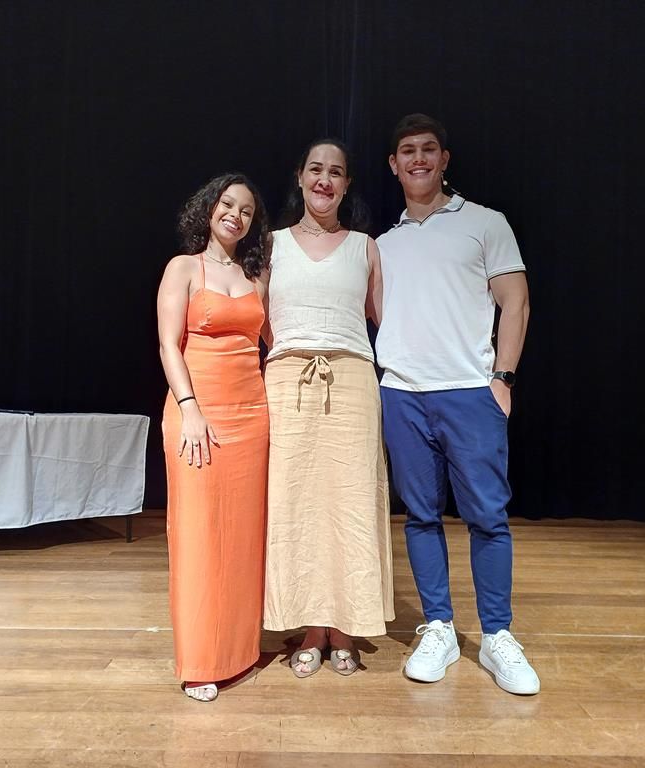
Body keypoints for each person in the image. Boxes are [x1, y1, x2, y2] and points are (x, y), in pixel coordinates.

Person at [375, 114, 540, 695]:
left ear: (444, 159)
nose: (418, 159)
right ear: (393, 165)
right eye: (407, 151)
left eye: (428, 149)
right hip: (402, 393)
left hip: (470, 393)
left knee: (487, 518)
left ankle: (497, 635)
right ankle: (439, 628)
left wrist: (503, 379)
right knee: (421, 517)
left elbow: (515, 303)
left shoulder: (485, 223)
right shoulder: (383, 244)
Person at [262, 138, 394, 677]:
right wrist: (292, 352)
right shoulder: (270, 245)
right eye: (315, 169)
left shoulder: (365, 247)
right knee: (294, 504)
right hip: (288, 381)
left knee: (350, 502)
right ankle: (307, 625)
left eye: (335, 172)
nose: (324, 179)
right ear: (299, 176)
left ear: (347, 184)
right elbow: (259, 318)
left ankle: (344, 626)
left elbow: (385, 318)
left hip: (353, 381)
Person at [157, 173, 270, 702]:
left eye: (246, 210)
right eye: (227, 204)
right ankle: (201, 660)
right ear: (209, 208)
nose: (235, 215)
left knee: (244, 538)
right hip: (197, 415)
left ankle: (240, 651)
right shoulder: (183, 267)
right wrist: (190, 409)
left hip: (252, 418)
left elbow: (273, 340)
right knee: (199, 537)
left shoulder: (255, 276)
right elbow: (168, 345)